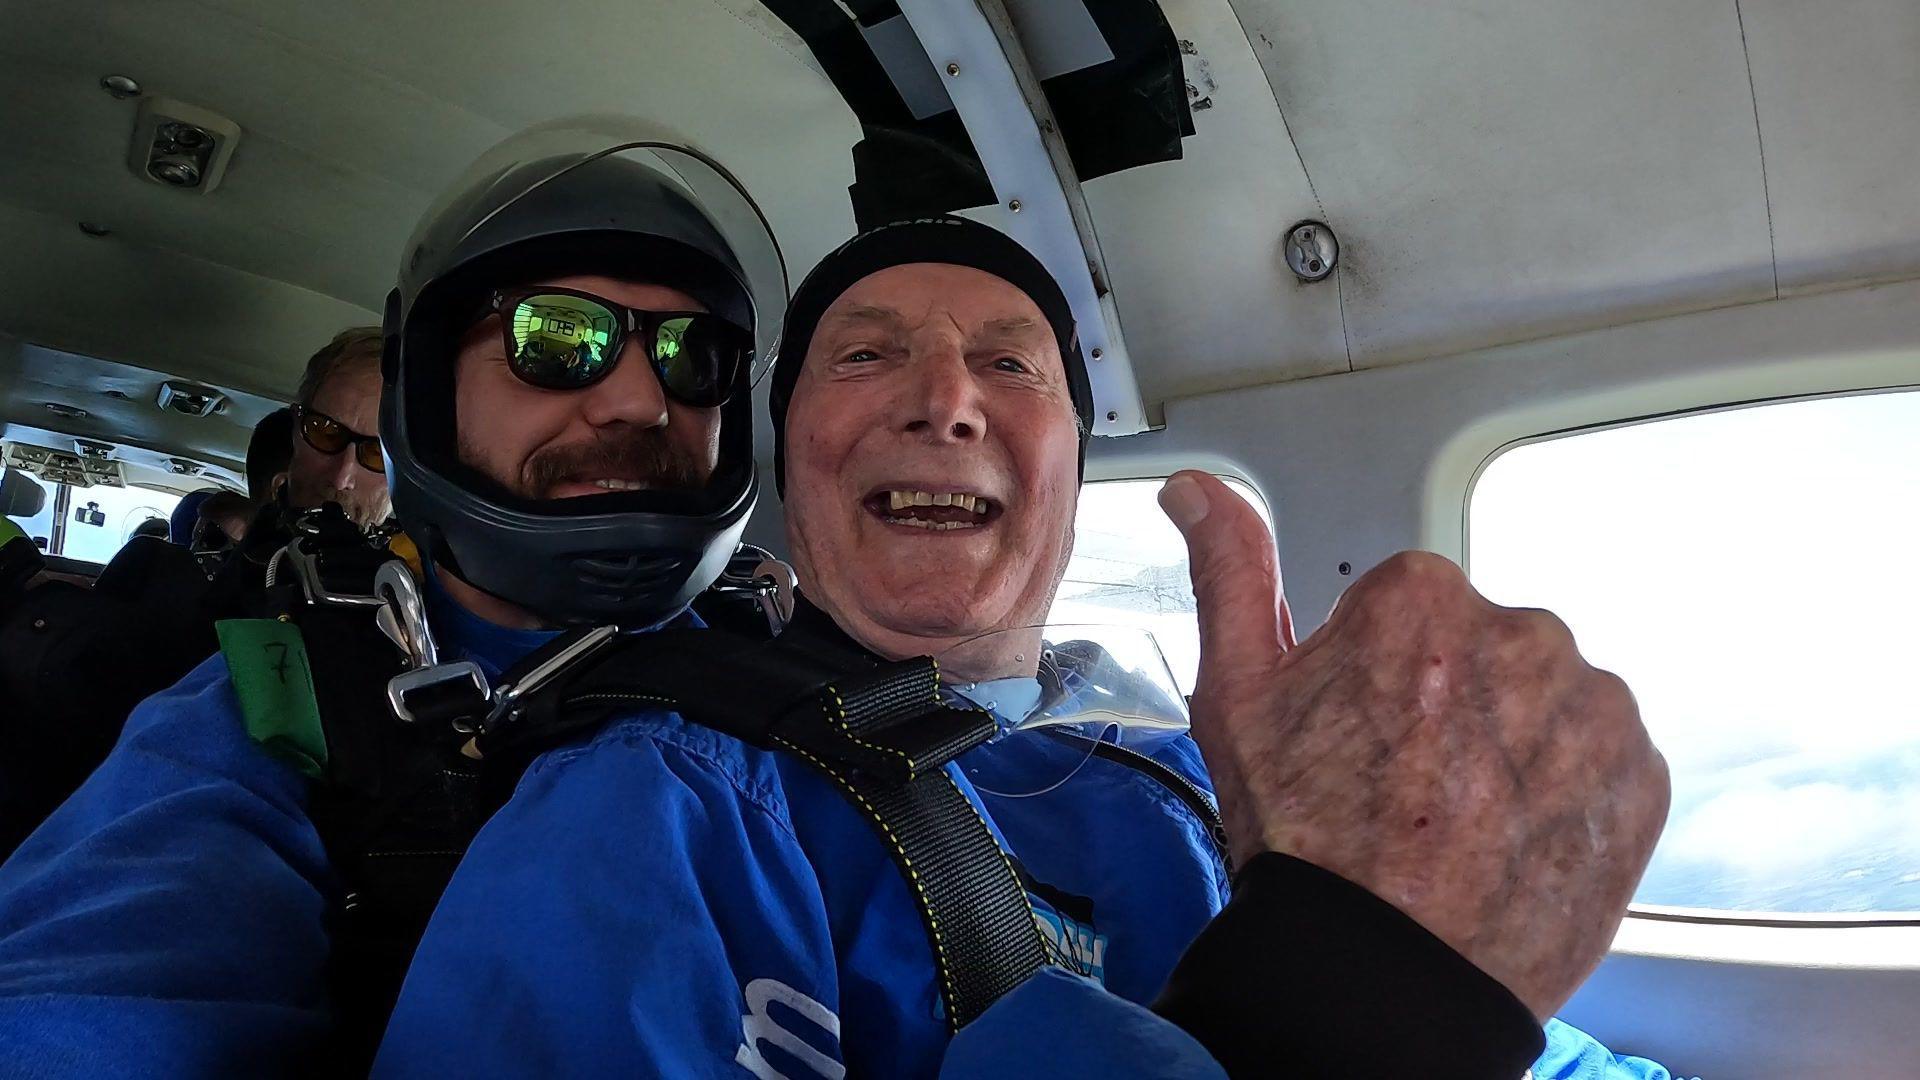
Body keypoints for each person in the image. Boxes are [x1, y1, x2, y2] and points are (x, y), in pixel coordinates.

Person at [0, 131, 1668, 1080]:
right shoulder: (332, 704)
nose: (636, 396)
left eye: (695, 357)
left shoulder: (1143, 756)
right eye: (565, 342)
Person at [767, 217, 1688, 1079]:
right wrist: (1351, 1016)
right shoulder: (693, 784)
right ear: (784, 457)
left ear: (1069, 477)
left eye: (1009, 364)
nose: (946, 402)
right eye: (863, 356)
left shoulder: (1177, 758)